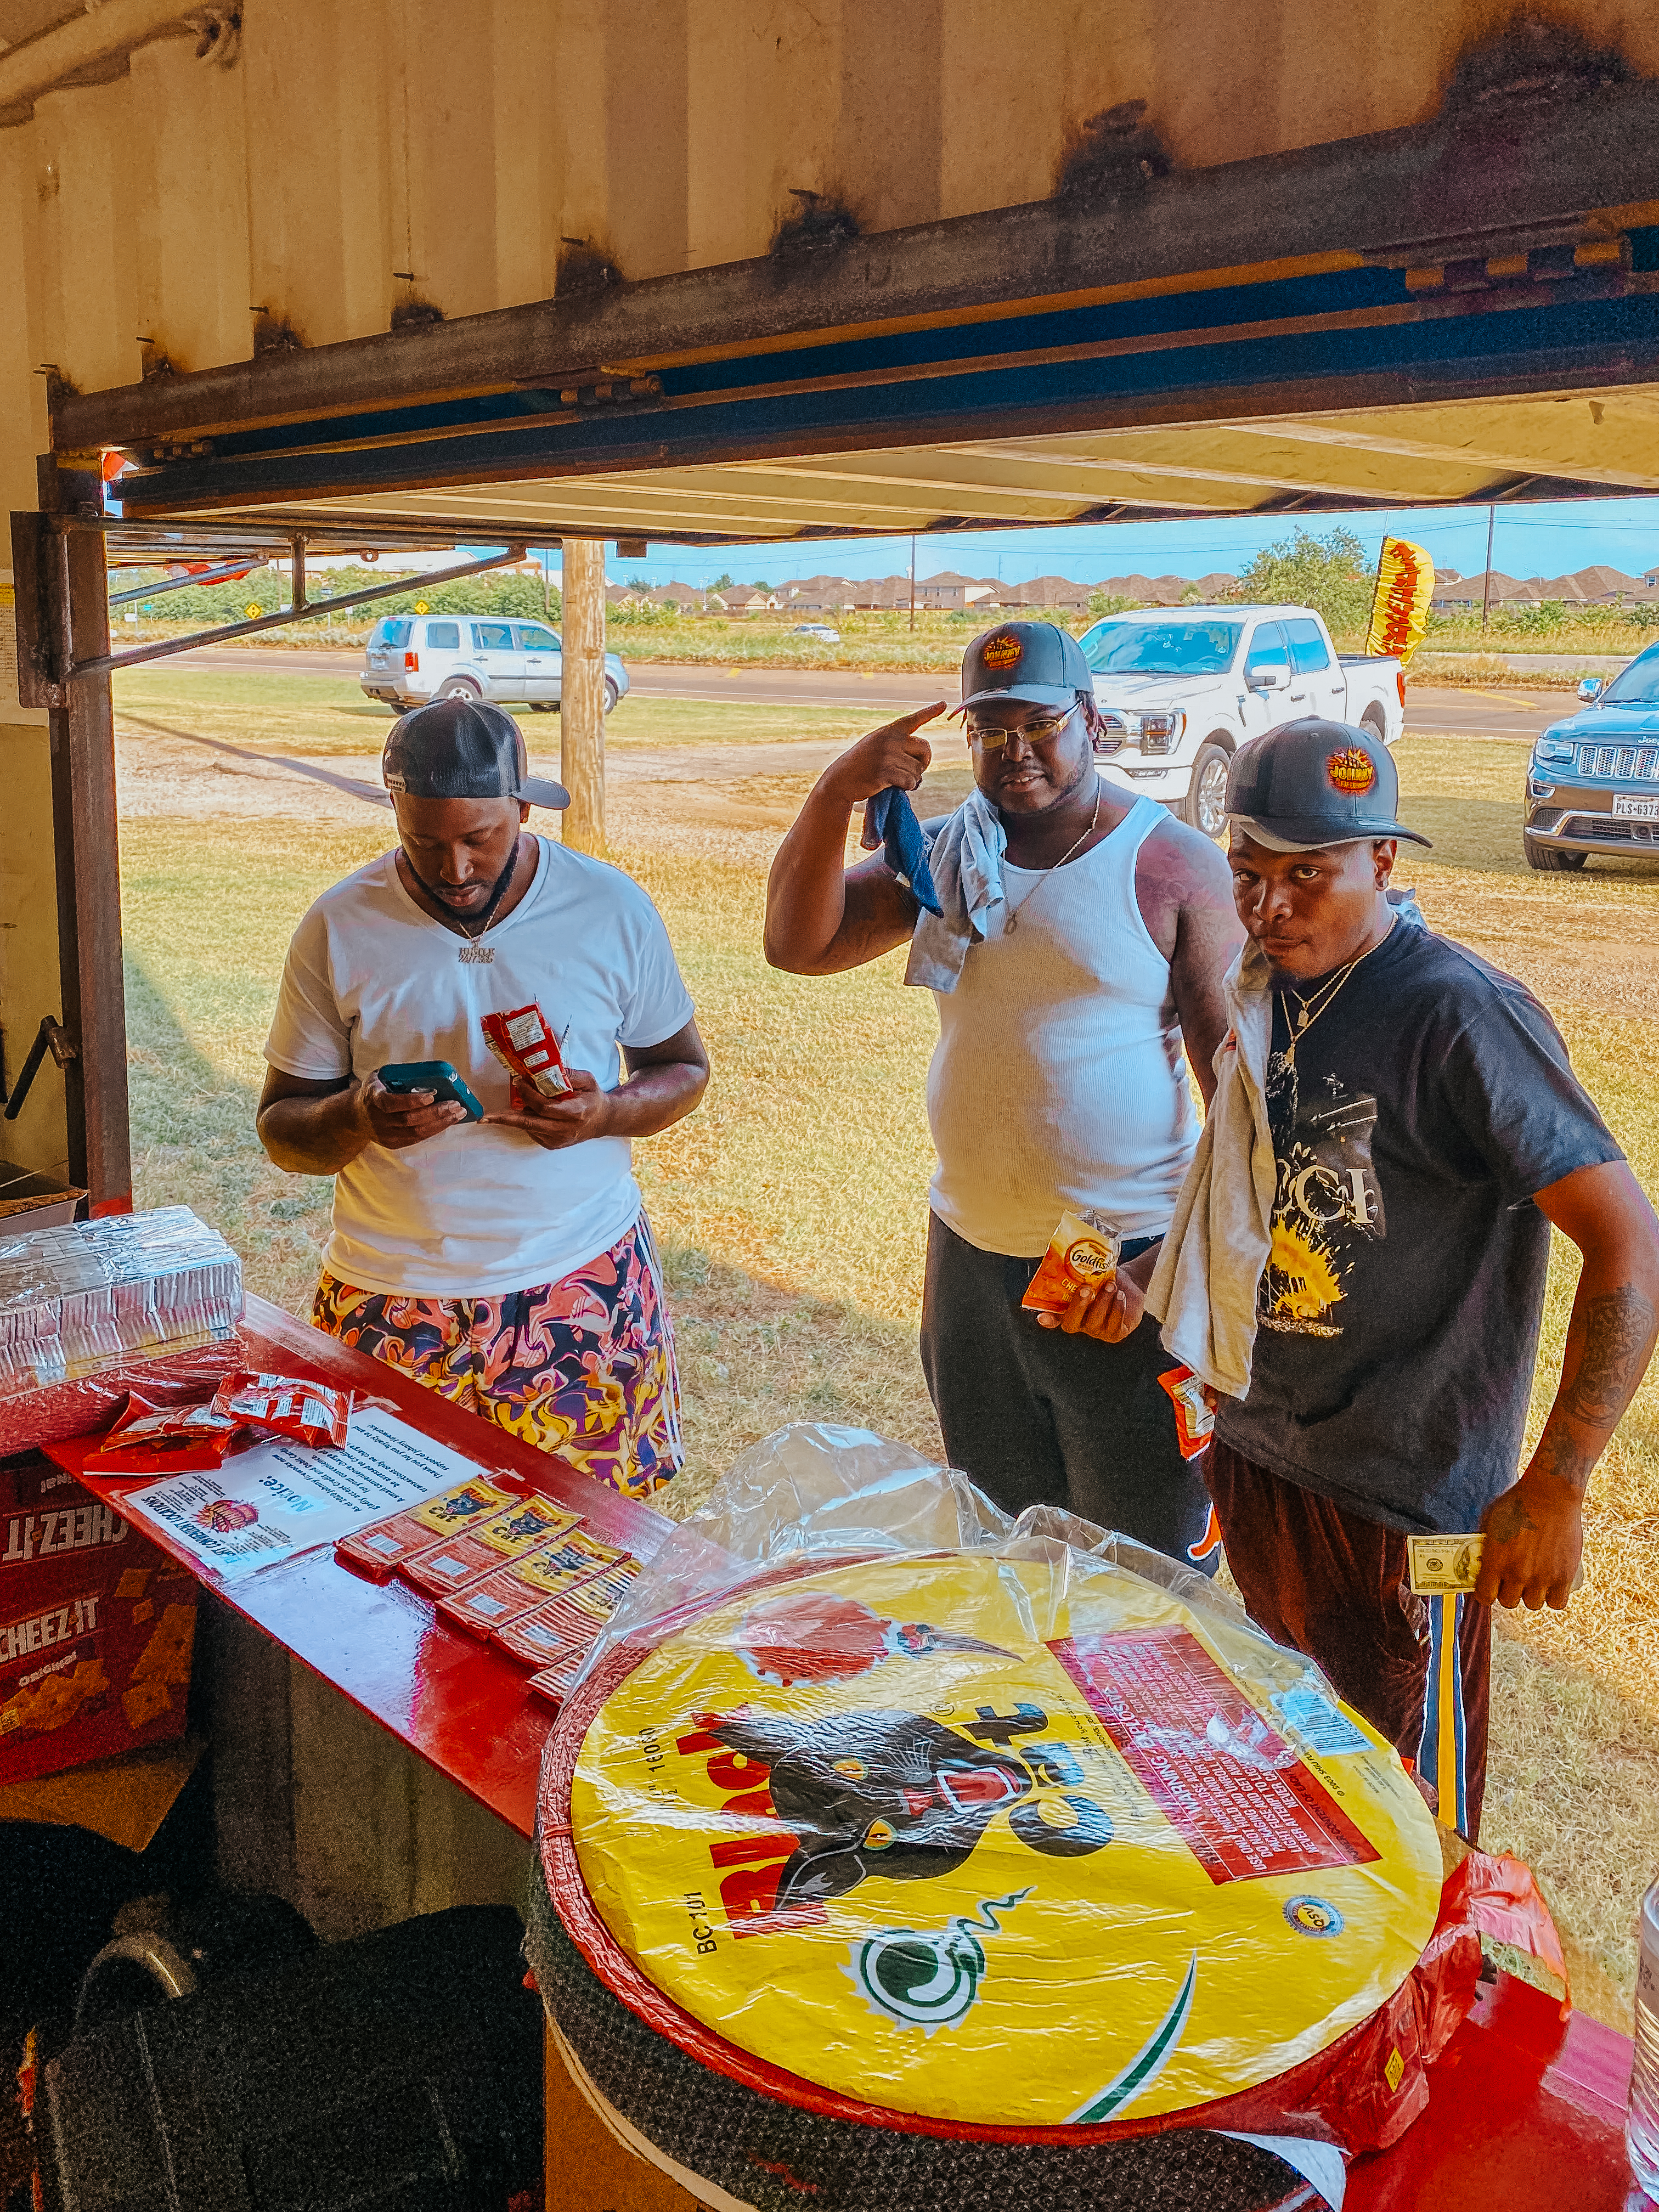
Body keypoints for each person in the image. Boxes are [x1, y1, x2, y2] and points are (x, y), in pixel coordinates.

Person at [1143, 717, 1659, 1836]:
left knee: (1404, 1826)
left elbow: (1630, 1242)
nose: (1270, 907)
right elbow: (1256, 1193)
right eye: (1249, 873)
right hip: (1262, 1454)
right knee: (1292, 1791)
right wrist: (1151, 1274)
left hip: (1399, 1501)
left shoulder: (1459, 1014)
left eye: (1307, 876)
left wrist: (1559, 1484)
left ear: (1382, 860)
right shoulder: (1267, 985)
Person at [764, 619, 1243, 1565]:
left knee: (1139, 1562)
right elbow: (799, 944)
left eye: (1040, 725)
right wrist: (833, 794)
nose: (1014, 750)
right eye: (989, 730)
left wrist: (1160, 1274)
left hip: (1121, 1267)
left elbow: (1240, 1104)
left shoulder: (1170, 866)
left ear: (1091, 722)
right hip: (974, 1260)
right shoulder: (948, 854)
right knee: (1003, 1543)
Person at [257, 697, 709, 1499]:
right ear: (394, 811)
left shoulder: (608, 907)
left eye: (480, 838)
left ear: (524, 809)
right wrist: (357, 1117)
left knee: (595, 1539)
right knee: (381, 1540)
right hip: (393, 1297)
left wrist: (604, 1113)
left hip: (581, 1282)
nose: (456, 869)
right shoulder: (339, 925)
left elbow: (682, 1070)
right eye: (426, 842)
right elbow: (283, 1133)